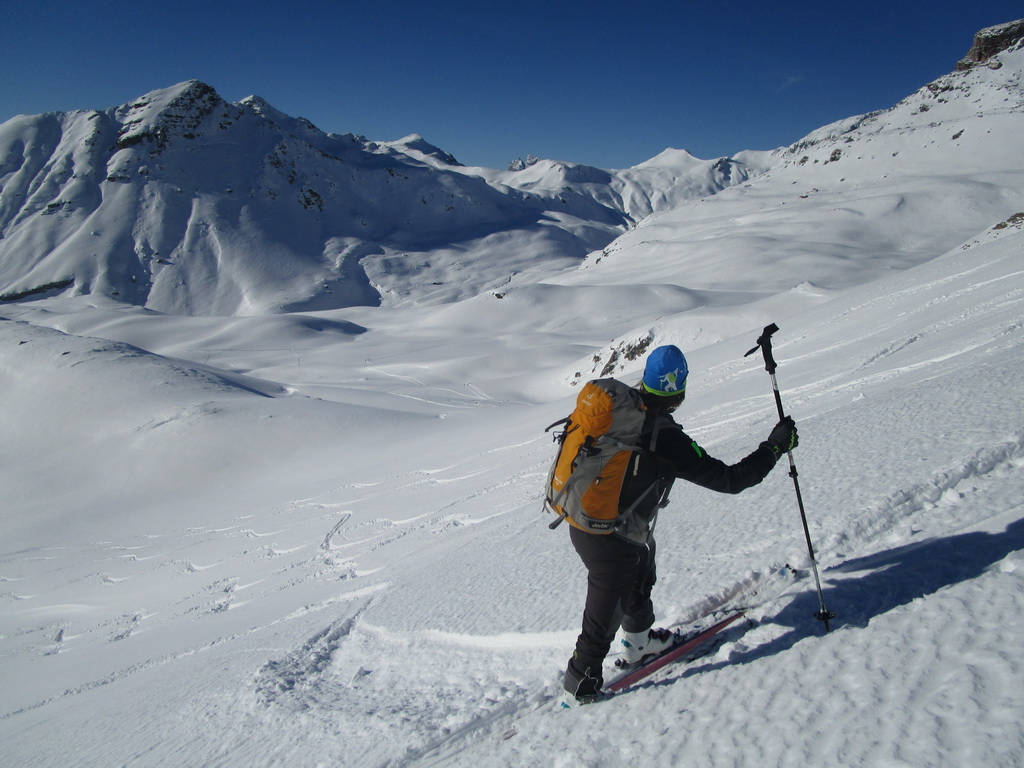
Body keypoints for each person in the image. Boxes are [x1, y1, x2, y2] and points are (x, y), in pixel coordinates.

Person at [561, 344, 798, 707]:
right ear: (679, 391)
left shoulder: (619, 409)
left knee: (641, 561)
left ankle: (638, 642)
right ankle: (582, 679)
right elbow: (731, 480)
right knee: (607, 601)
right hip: (607, 535)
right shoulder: (665, 438)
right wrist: (775, 447)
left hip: (582, 516)